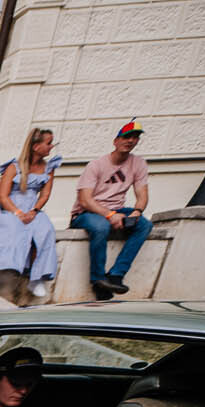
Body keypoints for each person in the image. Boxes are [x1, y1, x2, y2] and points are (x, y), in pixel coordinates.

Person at [0, 127, 61, 299]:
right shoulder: (14, 167)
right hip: (11, 207)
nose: (51, 146)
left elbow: (45, 194)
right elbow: (3, 195)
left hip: (33, 209)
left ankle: (37, 278)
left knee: (45, 230)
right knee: (8, 228)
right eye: (48, 143)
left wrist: (34, 210)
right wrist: (17, 212)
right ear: (36, 146)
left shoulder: (48, 168)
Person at [71, 120, 151, 300]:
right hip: (86, 213)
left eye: (135, 137)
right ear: (116, 141)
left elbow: (142, 194)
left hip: (118, 209)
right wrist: (110, 215)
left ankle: (115, 275)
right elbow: (85, 200)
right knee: (101, 227)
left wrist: (137, 212)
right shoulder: (96, 165)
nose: (130, 140)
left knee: (144, 225)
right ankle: (98, 280)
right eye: (126, 137)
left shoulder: (138, 164)